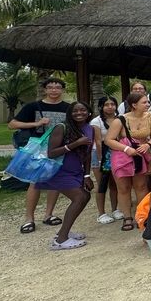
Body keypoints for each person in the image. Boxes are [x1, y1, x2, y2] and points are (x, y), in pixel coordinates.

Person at [9, 77, 70, 234]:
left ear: (62, 90)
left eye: (57, 87)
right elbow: (12, 124)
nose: (54, 90)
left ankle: (48, 214)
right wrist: (36, 124)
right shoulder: (33, 106)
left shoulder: (68, 108)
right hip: (39, 149)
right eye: (50, 87)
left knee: (54, 181)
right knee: (34, 182)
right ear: (45, 89)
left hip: (59, 148)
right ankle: (29, 218)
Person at [39, 101, 95, 250]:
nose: (79, 113)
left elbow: (88, 153)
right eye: (75, 111)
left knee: (85, 196)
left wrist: (87, 175)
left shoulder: (89, 129)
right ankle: (61, 240)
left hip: (76, 170)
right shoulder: (61, 127)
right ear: (70, 113)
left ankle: (63, 233)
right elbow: (51, 153)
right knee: (80, 197)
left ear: (88, 112)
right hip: (60, 170)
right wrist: (75, 143)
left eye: (83, 110)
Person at [105, 92, 151, 230]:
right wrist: (126, 149)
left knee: (141, 186)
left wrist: (148, 144)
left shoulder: (150, 118)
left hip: (141, 155)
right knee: (123, 188)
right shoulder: (120, 120)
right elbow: (109, 140)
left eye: (147, 102)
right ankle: (127, 216)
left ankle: (141, 215)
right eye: (144, 102)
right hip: (124, 157)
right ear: (134, 105)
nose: (147, 104)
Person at [91, 95, 119, 224]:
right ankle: (101, 213)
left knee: (114, 183)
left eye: (112, 104)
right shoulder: (96, 121)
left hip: (116, 153)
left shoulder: (120, 119)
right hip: (100, 153)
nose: (110, 107)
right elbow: (97, 141)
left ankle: (115, 209)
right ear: (101, 107)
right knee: (102, 184)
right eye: (107, 104)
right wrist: (101, 158)